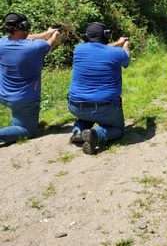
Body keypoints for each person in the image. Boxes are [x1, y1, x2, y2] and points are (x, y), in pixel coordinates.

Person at [67, 22, 131, 155]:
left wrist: (118, 42)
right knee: (117, 130)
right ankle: (96, 135)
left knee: (86, 118)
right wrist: (125, 45)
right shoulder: (117, 53)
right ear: (106, 34)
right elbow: (126, 60)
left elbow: (101, 49)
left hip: (76, 107)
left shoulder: (78, 49)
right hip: (104, 108)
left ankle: (77, 131)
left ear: (86, 36)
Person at [0, 12, 60, 145]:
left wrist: (46, 32)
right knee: (26, 130)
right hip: (25, 100)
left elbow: (23, 38)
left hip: (4, 95)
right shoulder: (35, 47)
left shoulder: (2, 43)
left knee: (18, 119)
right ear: (25, 25)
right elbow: (51, 43)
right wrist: (54, 34)